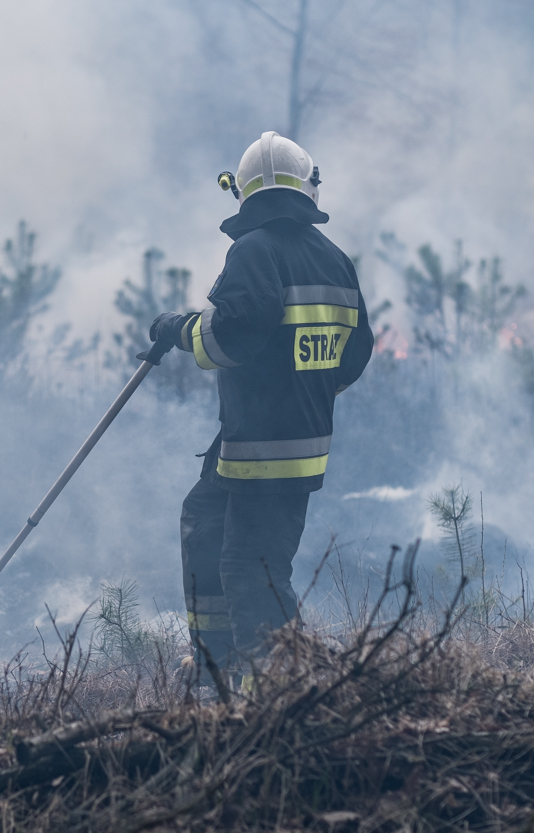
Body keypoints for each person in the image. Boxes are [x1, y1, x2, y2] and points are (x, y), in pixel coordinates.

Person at [148, 131, 373, 691]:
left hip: (262, 450)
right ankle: (214, 664)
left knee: (252, 570)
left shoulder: (254, 250)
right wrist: (305, 390)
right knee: (204, 521)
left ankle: (274, 687)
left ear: (243, 191)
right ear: (308, 187)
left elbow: (231, 337)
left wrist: (178, 330)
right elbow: (355, 354)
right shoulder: (335, 260)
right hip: (271, 442)